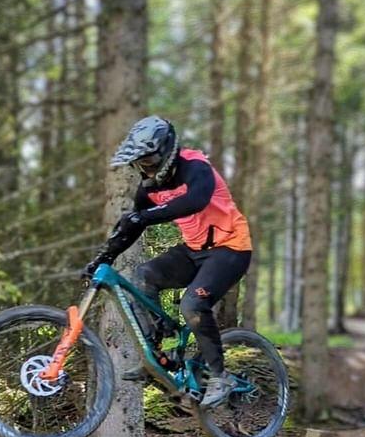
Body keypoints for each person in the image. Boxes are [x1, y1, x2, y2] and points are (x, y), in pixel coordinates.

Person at [89, 115, 253, 408]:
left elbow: (196, 201)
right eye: (141, 162)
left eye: (150, 159)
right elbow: (132, 225)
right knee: (143, 276)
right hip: (194, 250)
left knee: (192, 304)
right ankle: (157, 356)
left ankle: (220, 376)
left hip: (230, 249)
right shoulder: (150, 186)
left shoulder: (195, 166)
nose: (147, 167)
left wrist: (146, 215)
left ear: (167, 149)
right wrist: (105, 256)